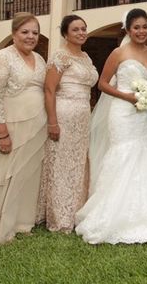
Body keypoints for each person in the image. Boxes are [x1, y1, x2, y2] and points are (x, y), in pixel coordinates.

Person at [75, 8, 147, 244]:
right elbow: (102, 84)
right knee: (124, 155)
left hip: (145, 114)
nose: (141, 31)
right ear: (128, 30)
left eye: (145, 27)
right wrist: (129, 97)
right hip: (123, 113)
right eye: (136, 27)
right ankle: (114, 211)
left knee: (144, 153)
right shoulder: (118, 53)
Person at [0, 12, 47, 246]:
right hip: (11, 126)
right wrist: (1, 131)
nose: (30, 37)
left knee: (28, 174)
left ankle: (22, 222)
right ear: (14, 34)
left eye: (34, 32)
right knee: (5, 175)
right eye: (25, 32)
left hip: (38, 125)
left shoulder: (40, 58)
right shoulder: (3, 57)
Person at [36, 15, 98, 232]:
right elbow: (49, 89)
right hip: (63, 114)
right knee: (61, 164)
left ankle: (76, 210)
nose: (81, 33)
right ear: (65, 34)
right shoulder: (60, 56)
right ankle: (59, 216)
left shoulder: (86, 57)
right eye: (76, 30)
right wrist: (52, 122)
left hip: (83, 116)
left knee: (79, 163)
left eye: (83, 28)